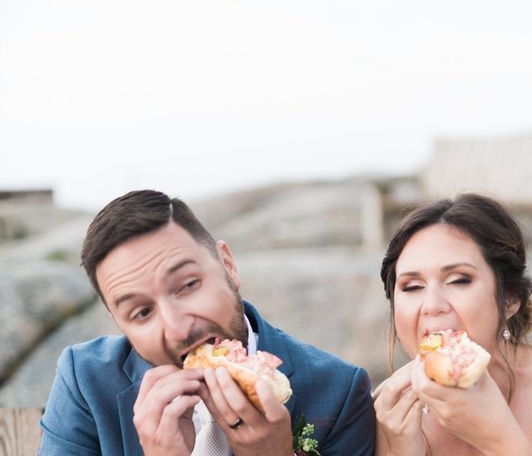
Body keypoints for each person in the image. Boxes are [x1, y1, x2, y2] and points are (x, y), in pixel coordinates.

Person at [39, 189, 375, 456]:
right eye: (142, 313)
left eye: (188, 286)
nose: (178, 328)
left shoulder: (339, 392)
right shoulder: (85, 382)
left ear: (228, 265)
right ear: (119, 324)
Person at [374, 193, 532, 456]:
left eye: (459, 280)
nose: (432, 305)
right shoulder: (388, 414)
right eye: (412, 286)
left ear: (510, 298)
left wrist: (498, 439)